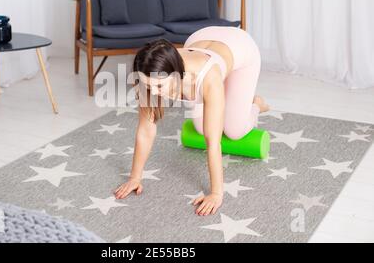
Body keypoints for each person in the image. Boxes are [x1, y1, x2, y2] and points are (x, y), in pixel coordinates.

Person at [114, 26, 270, 216]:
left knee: (233, 131)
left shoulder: (208, 78)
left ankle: (257, 104)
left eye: (160, 86)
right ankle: (234, 103)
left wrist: (216, 193)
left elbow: (213, 143)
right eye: (149, 86)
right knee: (200, 128)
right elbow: (146, 130)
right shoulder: (151, 71)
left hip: (241, 47)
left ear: (177, 74)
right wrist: (135, 177)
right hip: (202, 37)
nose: (154, 93)